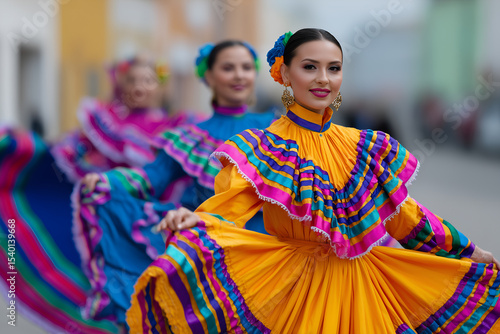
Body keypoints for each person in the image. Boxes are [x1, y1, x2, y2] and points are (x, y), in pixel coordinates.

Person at [126, 29, 500, 333]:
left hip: (366, 293)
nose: (323, 79)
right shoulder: (262, 147)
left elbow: (403, 216)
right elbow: (227, 209)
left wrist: (465, 250)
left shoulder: (362, 146)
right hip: (297, 291)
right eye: (309, 67)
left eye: (333, 68)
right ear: (285, 74)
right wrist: (197, 220)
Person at [74, 40, 275, 327]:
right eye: (228, 68)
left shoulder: (277, 128)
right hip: (212, 255)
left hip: (269, 251)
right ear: (208, 76)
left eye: (246, 67)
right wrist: (107, 181)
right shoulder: (191, 136)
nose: (239, 75)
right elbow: (149, 179)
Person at [0, 55, 180, 334]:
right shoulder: (105, 124)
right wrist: (26, 152)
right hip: (104, 220)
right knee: (111, 291)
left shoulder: (176, 131)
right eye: (133, 80)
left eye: (148, 80)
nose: (140, 87)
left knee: (152, 292)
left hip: (153, 223)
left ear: (160, 87)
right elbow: (65, 153)